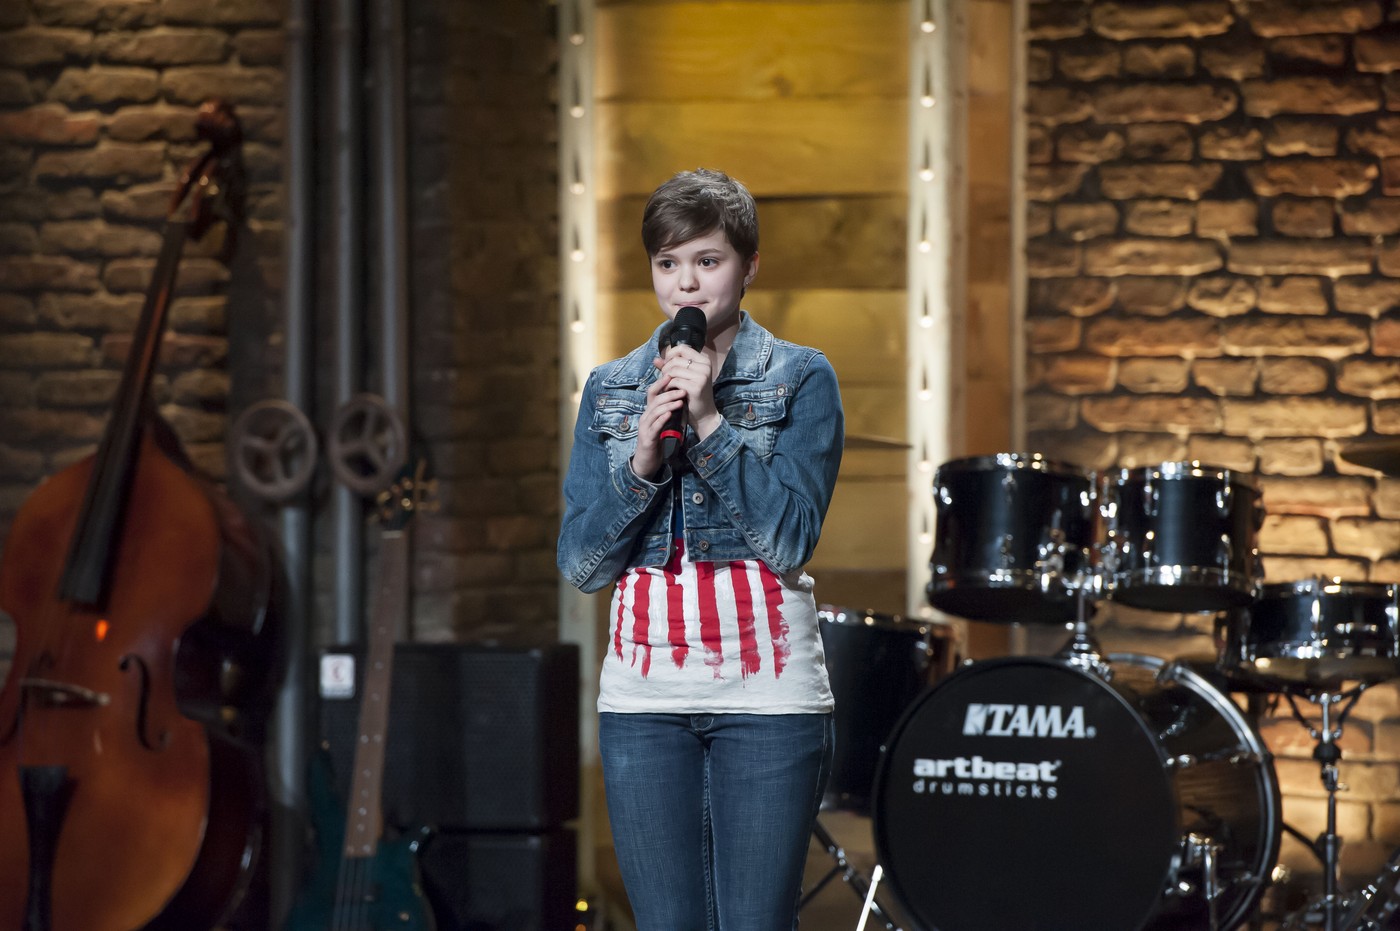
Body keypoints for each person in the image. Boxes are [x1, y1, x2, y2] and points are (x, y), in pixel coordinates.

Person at [557, 168, 845, 929]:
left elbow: (790, 539)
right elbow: (580, 564)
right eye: (668, 263)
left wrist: (712, 423)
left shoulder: (801, 377)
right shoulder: (612, 388)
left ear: (749, 267)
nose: (685, 283)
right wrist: (640, 466)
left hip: (767, 700)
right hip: (644, 703)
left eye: (707, 261)